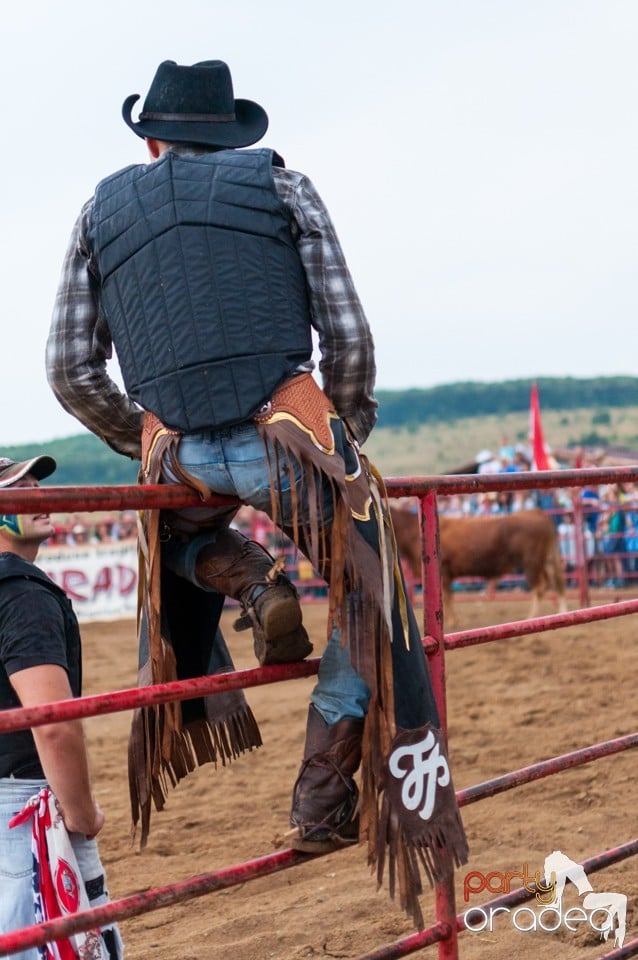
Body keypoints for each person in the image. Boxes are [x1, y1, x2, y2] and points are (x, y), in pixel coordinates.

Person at [46, 59, 467, 925]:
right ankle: (321, 792)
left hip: (176, 452)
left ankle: (249, 579)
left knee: (182, 549)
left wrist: (144, 434)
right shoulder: (284, 186)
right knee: (371, 595)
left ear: (151, 137)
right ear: (225, 134)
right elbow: (347, 331)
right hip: (289, 429)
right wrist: (340, 431)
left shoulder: (97, 209)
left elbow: (68, 366)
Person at [0, 455, 123, 959]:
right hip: (23, 806)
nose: (37, 490)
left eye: (36, 481)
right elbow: (51, 723)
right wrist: (80, 811)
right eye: (17, 486)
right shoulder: (23, 593)